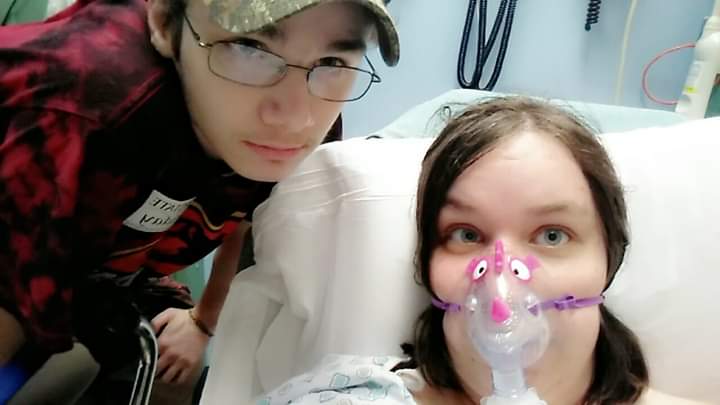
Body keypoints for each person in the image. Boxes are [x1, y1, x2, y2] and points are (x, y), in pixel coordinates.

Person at [0, 0, 399, 401]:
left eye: (332, 60)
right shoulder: (87, 108)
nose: (295, 119)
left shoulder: (313, 104)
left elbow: (251, 218)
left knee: (175, 376)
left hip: (117, 268)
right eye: (250, 47)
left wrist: (202, 322)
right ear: (164, 22)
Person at [258, 97, 707, 405]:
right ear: (427, 266)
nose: (501, 281)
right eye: (467, 235)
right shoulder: (356, 395)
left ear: (608, 260)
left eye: (552, 235)